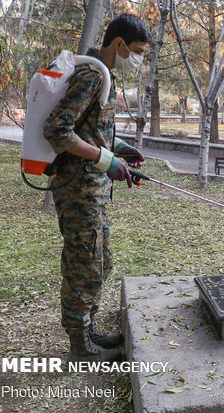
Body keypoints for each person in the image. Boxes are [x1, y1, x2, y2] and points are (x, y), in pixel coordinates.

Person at [43, 14, 150, 362]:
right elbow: (57, 130)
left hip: (94, 190)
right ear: (118, 43)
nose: (138, 58)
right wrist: (106, 161)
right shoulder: (91, 74)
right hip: (78, 190)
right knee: (84, 263)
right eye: (135, 51)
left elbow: (90, 132)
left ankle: (88, 331)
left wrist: (118, 149)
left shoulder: (104, 75)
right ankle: (80, 346)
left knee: (100, 261)